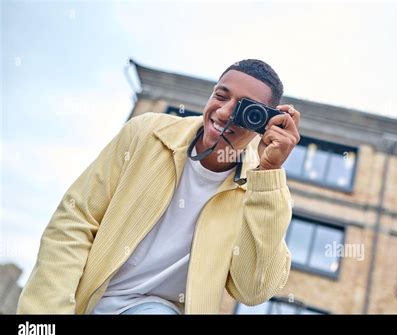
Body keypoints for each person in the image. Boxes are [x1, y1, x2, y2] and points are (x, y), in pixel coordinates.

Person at [17, 59, 301, 314]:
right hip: (83, 299)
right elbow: (74, 221)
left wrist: (268, 172)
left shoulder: (264, 190)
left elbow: (252, 291)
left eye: (244, 109)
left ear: (266, 121)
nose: (225, 112)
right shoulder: (146, 134)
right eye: (220, 96)